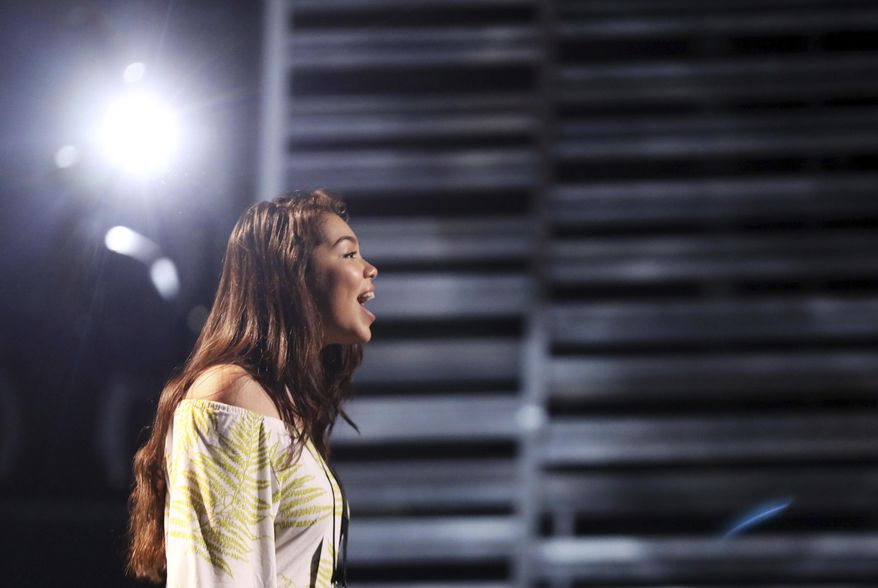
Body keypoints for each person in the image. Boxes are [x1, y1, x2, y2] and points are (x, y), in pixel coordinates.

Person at [125, 189, 378, 587]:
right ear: (292, 274)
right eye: (348, 254)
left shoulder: (280, 407)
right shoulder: (230, 396)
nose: (370, 269)